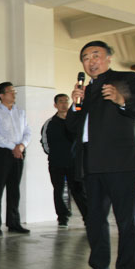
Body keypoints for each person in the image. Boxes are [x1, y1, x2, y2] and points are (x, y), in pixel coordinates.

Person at [67, 40, 135, 269]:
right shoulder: (87, 90)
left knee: (126, 222)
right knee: (95, 220)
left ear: (108, 58)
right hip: (91, 164)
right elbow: (72, 127)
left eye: (96, 55)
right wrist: (75, 104)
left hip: (119, 163)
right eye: (85, 58)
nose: (90, 61)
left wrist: (121, 100)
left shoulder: (124, 79)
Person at [0, 82, 31, 235]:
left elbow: (28, 131)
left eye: (14, 92)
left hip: (19, 153)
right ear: (1, 95)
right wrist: (13, 147)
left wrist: (22, 146)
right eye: (10, 91)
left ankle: (14, 223)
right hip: (2, 153)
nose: (14, 94)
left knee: (14, 189)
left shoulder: (20, 112)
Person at [40, 94, 88, 228]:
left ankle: (88, 217)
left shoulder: (75, 122)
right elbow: (44, 142)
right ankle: (62, 217)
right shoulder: (50, 123)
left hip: (74, 163)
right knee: (59, 190)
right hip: (56, 163)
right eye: (61, 102)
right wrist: (54, 155)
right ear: (55, 105)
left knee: (78, 190)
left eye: (66, 101)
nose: (64, 104)